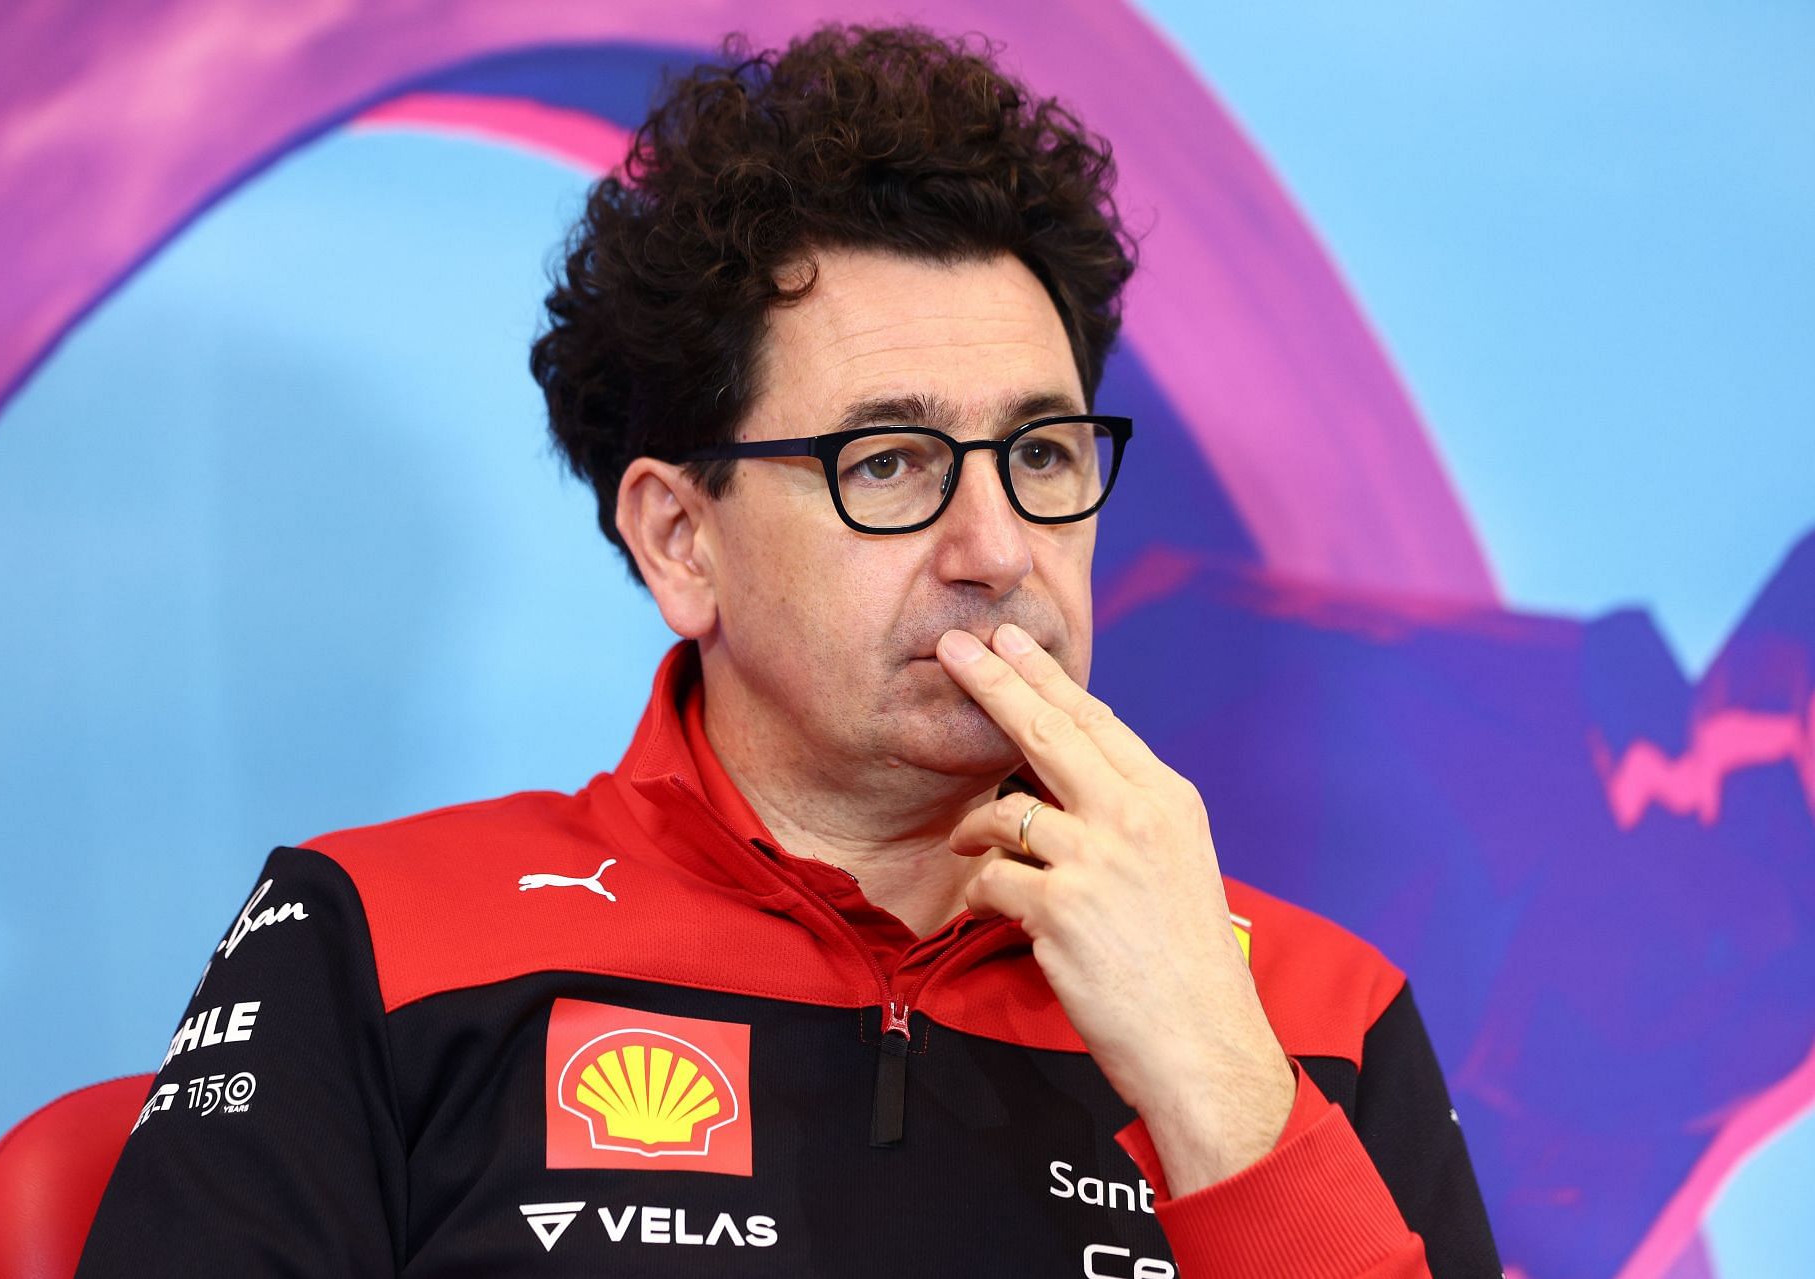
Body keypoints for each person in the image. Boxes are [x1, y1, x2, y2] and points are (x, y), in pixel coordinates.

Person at [78, 24, 1500, 1277]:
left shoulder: (1316, 1012)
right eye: (890, 463)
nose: (999, 549)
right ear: (680, 542)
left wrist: (1220, 1088)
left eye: (1044, 452)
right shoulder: (380, 940)